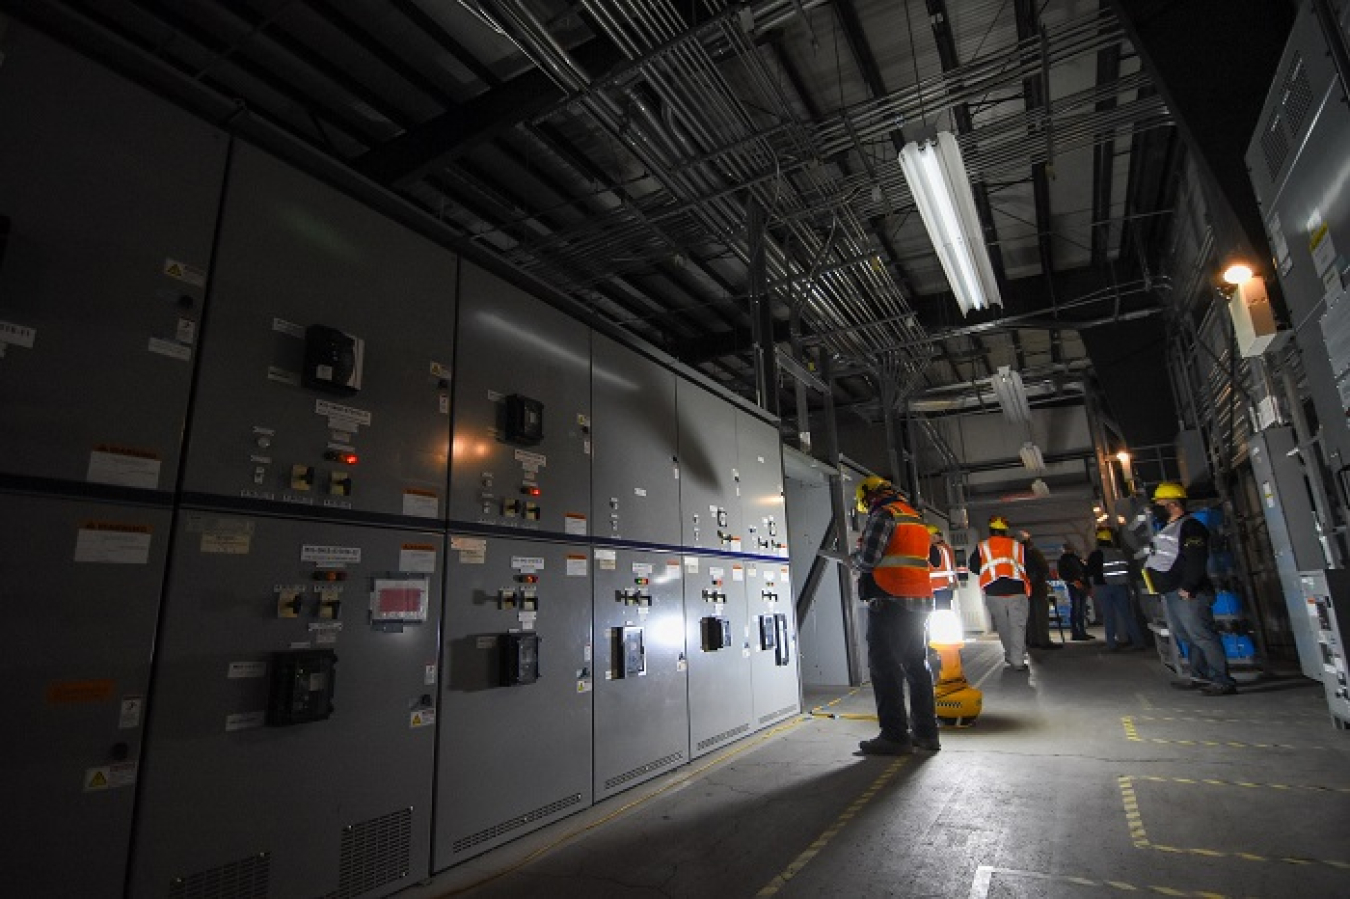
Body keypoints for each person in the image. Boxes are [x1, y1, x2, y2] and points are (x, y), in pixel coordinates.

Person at [849, 476, 941, 754]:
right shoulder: (913, 517)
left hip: (890, 601)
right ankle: (926, 733)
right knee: (916, 666)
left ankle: (894, 736)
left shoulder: (884, 515)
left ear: (868, 496)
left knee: (885, 668)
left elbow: (867, 560)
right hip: (918, 602)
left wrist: (850, 558)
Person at [1144, 482, 1238, 695]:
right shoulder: (1169, 527)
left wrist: (1188, 586)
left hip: (1188, 593)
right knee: (1187, 636)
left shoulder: (1191, 527)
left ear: (1174, 504)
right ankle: (1199, 676)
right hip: (1174, 592)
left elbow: (1196, 558)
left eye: (1160, 503)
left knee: (1202, 636)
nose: (1156, 507)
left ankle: (1223, 680)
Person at [969, 515, 1031, 670]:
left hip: (993, 592)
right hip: (1016, 590)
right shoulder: (1018, 546)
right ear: (1005, 530)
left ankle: (1010, 655)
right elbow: (1029, 566)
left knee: (1003, 626)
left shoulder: (982, 547)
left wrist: (990, 573)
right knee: (1017, 626)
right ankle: (1018, 660)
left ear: (990, 530)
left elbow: (973, 566)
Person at [1086, 527, 1147, 651]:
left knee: (1109, 616)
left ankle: (1111, 644)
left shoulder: (1096, 554)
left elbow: (1089, 571)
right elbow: (1128, 568)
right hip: (1121, 587)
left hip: (1104, 588)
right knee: (1127, 615)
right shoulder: (1119, 553)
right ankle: (1138, 642)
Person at [1020, 531, 1061, 650]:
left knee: (1030, 616)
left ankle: (1032, 641)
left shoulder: (1017, 555)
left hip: (1025, 590)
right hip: (1038, 588)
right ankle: (1044, 641)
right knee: (1041, 615)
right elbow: (1044, 568)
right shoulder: (1035, 553)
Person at [1058, 543, 1093, 641]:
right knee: (1076, 609)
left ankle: (1081, 631)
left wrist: (1087, 586)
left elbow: (1085, 571)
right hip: (1074, 586)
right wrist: (1073, 581)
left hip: (1081, 585)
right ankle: (1076, 632)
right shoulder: (1063, 560)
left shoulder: (1076, 559)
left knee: (1081, 609)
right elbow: (1063, 574)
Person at [927, 525, 958, 610]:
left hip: (937, 587)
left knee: (938, 615)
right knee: (945, 613)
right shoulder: (947, 548)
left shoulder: (933, 549)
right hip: (948, 586)